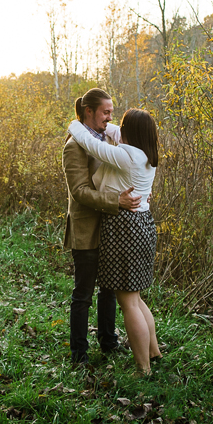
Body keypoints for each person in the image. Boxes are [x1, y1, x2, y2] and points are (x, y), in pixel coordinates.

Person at [67, 108, 162, 375]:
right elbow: (114, 132)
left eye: (120, 123)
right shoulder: (147, 155)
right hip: (143, 224)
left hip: (125, 228)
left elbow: (90, 143)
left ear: (129, 131)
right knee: (137, 299)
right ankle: (153, 352)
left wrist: (75, 123)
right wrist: (105, 122)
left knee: (129, 303)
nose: (114, 125)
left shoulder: (125, 155)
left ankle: (143, 368)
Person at [62, 88, 140, 366]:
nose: (109, 117)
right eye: (105, 112)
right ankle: (79, 354)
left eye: (111, 111)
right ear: (89, 112)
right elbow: (80, 192)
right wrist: (116, 201)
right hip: (86, 229)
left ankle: (109, 342)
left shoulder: (109, 138)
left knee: (109, 289)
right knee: (83, 294)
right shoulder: (73, 147)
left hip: (111, 227)